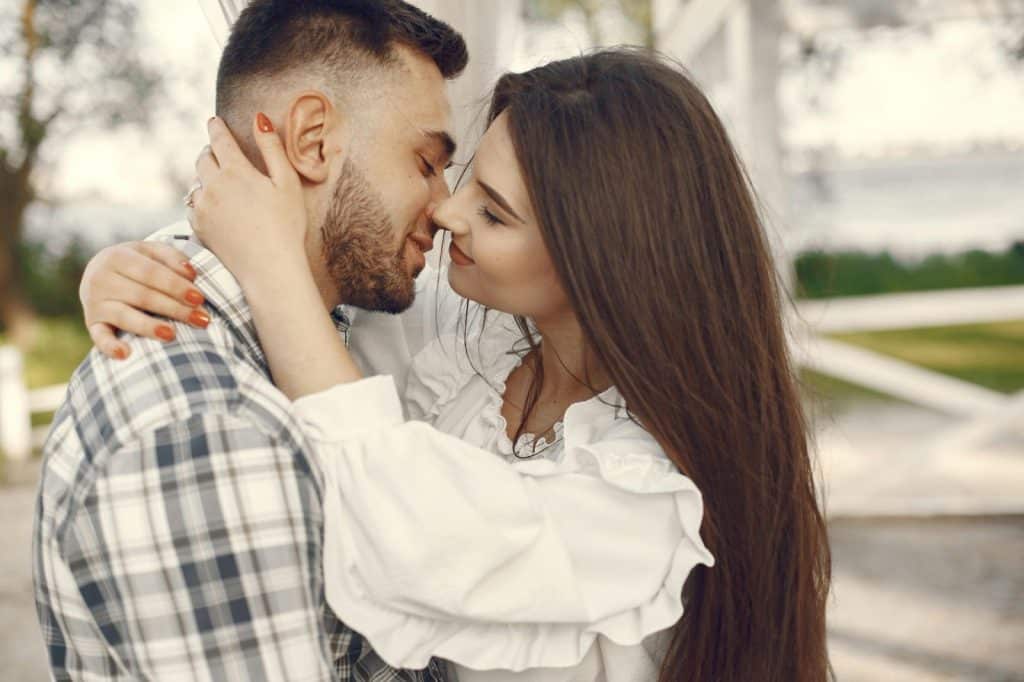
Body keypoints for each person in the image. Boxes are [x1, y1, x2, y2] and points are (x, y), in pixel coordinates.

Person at [76, 45, 834, 682]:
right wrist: (135, 264)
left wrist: (271, 268)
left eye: (494, 213)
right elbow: (328, 296)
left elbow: (411, 529)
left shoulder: (640, 494)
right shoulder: (470, 346)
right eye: (464, 175)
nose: (448, 211)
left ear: (602, 261)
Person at [33, 2, 468, 680]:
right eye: (425, 162)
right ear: (312, 139)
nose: (445, 207)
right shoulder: (206, 426)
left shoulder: (325, 334)